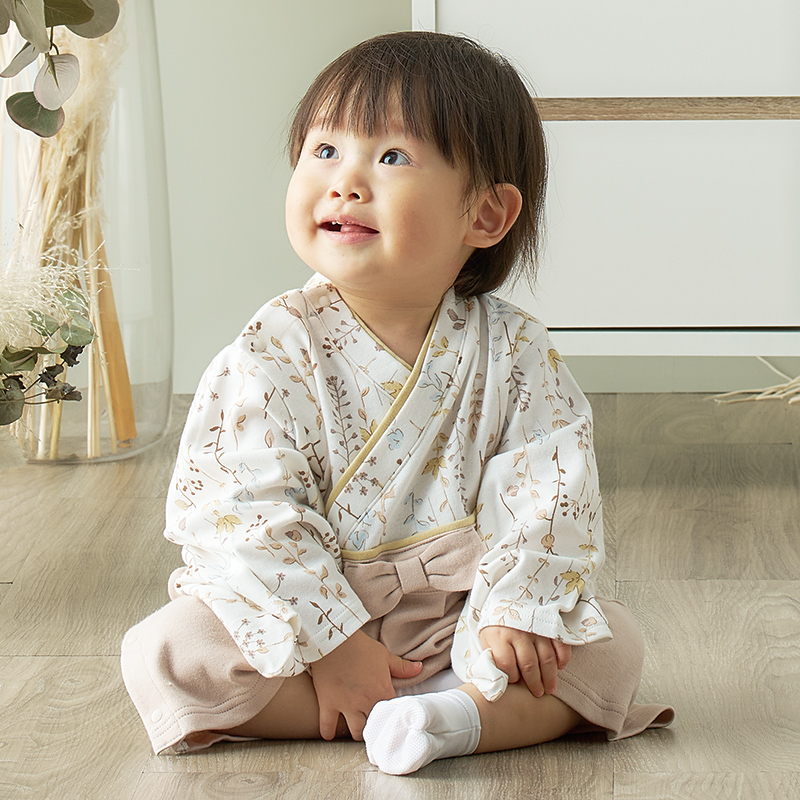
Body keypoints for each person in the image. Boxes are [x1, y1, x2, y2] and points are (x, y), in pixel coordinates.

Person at [121, 31, 673, 775]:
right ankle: (444, 710)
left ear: (485, 215)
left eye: (391, 157)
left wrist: (514, 610)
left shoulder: (514, 352)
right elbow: (243, 510)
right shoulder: (269, 353)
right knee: (168, 652)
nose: (345, 182)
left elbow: (550, 494)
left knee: (612, 649)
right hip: (311, 622)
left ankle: (447, 714)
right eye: (324, 150)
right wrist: (333, 642)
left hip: (462, 616)